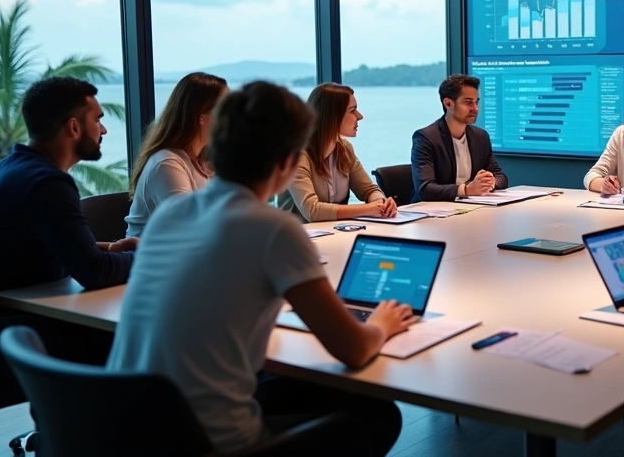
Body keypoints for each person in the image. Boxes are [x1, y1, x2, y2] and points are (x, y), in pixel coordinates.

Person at [106, 82, 410, 455]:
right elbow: (353, 348)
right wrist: (382, 322)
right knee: (378, 414)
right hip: (210, 443)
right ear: (287, 162)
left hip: (127, 430)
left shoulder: (172, 213)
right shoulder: (273, 229)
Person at [0, 77, 136, 318]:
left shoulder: (13, 166)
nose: (104, 130)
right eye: (98, 119)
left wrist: (111, 249)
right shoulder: (46, 182)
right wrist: (147, 257)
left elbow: (55, 246)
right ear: (74, 127)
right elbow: (94, 272)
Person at [124, 72, 227, 237]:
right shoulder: (167, 163)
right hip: (153, 260)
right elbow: (190, 230)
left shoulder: (205, 162)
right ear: (202, 115)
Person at [281, 83, 398, 221]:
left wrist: (381, 202)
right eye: (352, 110)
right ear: (332, 115)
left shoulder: (345, 148)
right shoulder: (297, 154)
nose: (360, 116)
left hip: (335, 234)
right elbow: (312, 211)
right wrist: (369, 209)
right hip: (297, 238)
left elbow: (369, 190)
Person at [410, 74, 508, 203]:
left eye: (476, 102)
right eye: (468, 102)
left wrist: (491, 182)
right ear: (448, 103)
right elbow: (425, 189)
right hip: (432, 212)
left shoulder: (480, 136)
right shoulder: (426, 138)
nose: (475, 108)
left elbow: (501, 176)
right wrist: (466, 190)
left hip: (470, 207)